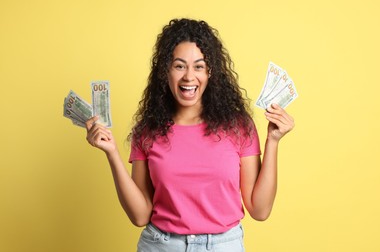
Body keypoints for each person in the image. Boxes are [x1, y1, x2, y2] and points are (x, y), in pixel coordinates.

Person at [85, 18, 294, 251]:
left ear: (210, 71)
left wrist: (273, 141)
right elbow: (140, 216)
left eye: (199, 66)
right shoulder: (147, 130)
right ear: (166, 70)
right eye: (179, 65)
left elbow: (260, 209)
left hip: (223, 245)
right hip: (162, 245)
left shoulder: (238, 126)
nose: (189, 76)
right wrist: (112, 153)